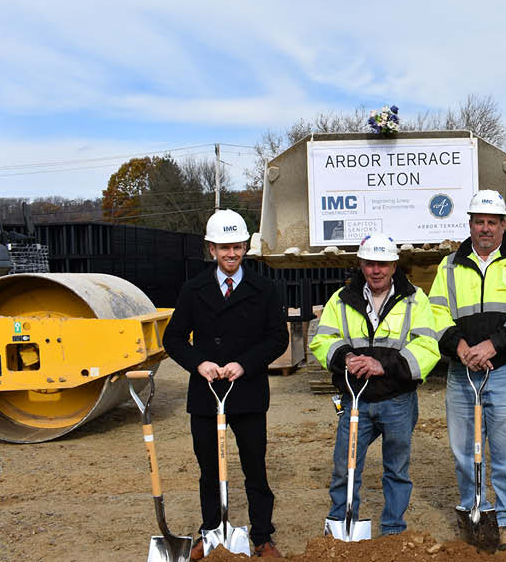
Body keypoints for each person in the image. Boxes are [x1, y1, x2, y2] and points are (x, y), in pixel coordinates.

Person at [163, 209, 289, 559]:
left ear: (246, 247)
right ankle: (212, 531)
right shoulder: (193, 289)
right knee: (209, 470)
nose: (231, 253)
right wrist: (199, 363)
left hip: (247, 393)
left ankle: (262, 536)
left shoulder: (264, 289)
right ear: (211, 249)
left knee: (255, 469)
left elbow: (277, 338)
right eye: (223, 247)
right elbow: (172, 339)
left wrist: (244, 365)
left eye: (237, 246)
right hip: (206, 395)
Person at [428, 189, 506, 551]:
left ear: (504, 225)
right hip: (463, 374)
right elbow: (436, 314)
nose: (486, 229)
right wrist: (460, 347)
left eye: (492, 222)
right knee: (465, 450)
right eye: (479, 222)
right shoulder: (449, 266)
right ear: (470, 224)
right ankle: (475, 511)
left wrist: (494, 345)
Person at [309, 233, 440, 536]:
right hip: (356, 400)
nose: (376, 270)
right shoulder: (341, 299)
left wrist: (385, 365)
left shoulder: (414, 300)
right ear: (361, 265)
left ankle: (393, 530)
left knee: (396, 469)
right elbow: (322, 339)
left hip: (398, 400)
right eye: (370, 264)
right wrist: (344, 356)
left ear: (394, 265)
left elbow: (427, 347)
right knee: (345, 466)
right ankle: (342, 524)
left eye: (382, 264)